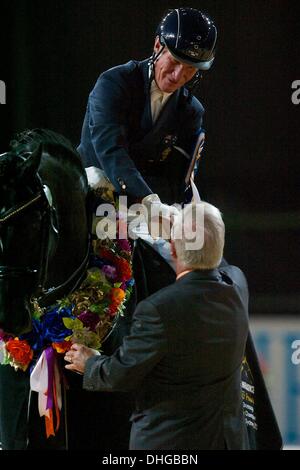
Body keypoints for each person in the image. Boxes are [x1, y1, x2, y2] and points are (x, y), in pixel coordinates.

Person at [65, 202, 250, 450]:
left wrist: (91, 363)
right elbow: (218, 260)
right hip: (227, 442)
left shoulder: (158, 308)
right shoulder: (237, 285)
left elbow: (122, 373)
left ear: (172, 249)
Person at [78, 7, 217, 211]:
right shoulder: (113, 83)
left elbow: (178, 179)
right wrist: (146, 199)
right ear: (157, 45)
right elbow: (111, 149)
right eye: (175, 61)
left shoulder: (191, 112)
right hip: (88, 197)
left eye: (190, 69)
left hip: (144, 214)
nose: (178, 76)